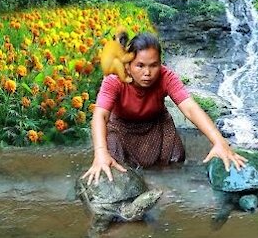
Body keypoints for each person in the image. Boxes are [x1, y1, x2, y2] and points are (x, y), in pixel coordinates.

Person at [82, 32, 247, 185]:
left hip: (157, 126)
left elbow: (190, 108)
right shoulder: (114, 80)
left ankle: (167, 191)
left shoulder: (166, 76)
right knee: (114, 167)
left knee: (176, 161)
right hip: (120, 129)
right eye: (140, 65)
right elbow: (100, 116)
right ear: (127, 66)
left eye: (153, 65)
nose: (147, 72)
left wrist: (219, 142)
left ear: (160, 64)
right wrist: (101, 153)